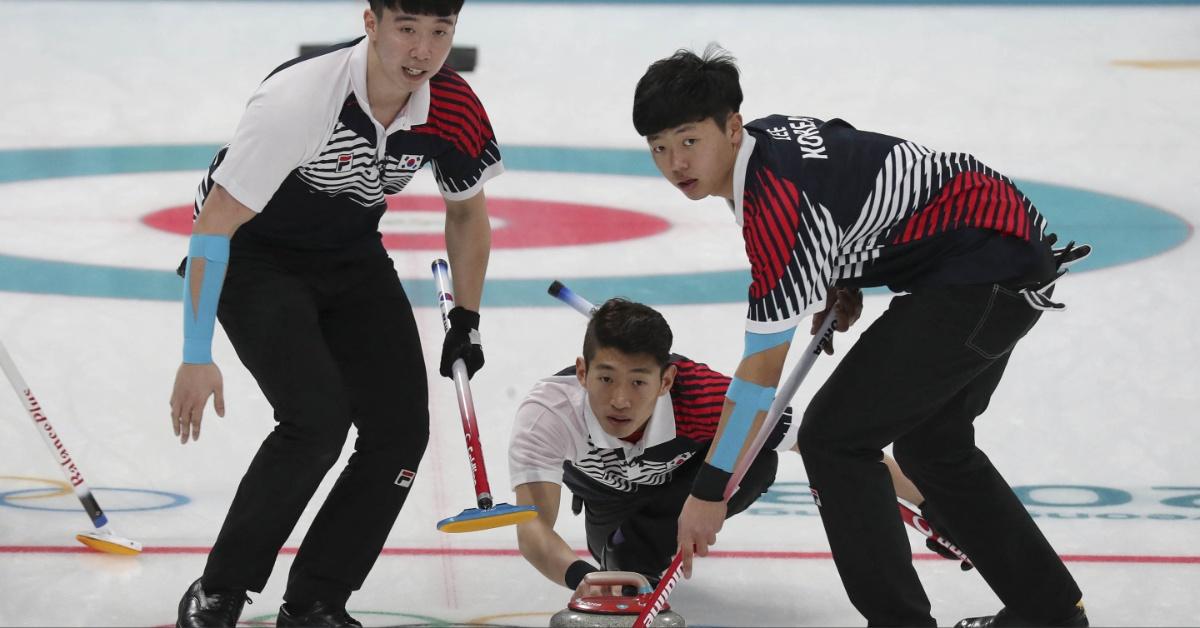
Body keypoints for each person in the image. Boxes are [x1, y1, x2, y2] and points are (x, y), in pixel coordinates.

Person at [631, 47, 1090, 628]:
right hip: (1001, 246)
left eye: (688, 140)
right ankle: (1050, 613)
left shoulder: (778, 207)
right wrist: (842, 273)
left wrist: (710, 489)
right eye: (659, 149)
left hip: (982, 271)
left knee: (832, 439)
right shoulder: (764, 148)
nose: (675, 163)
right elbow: (851, 177)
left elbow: (757, 380)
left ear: (731, 126)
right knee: (934, 446)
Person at [167, 1, 501, 626]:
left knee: (401, 430)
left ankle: (317, 598)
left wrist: (467, 319)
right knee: (315, 420)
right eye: (407, 29)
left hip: (348, 250)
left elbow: (467, 213)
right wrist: (195, 352)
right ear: (371, 23)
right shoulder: (300, 99)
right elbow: (214, 225)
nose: (423, 52)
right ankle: (220, 589)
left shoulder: (452, 106)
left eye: (440, 32)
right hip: (253, 251)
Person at [508, 297, 933, 594]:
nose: (620, 400)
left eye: (638, 381)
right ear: (581, 373)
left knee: (756, 458)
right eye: (605, 378)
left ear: (666, 381)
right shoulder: (548, 413)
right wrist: (581, 576)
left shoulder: (708, 400)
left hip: (683, 489)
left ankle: (649, 544)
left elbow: (830, 446)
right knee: (623, 572)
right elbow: (532, 526)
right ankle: (628, 554)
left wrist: (934, 506)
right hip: (608, 505)